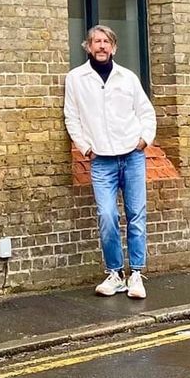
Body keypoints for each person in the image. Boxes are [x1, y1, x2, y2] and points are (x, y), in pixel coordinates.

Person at [63, 24, 156, 299]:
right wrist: (86, 148)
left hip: (132, 155)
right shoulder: (76, 78)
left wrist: (144, 140)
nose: (101, 46)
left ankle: (136, 274)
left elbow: (146, 112)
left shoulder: (127, 78)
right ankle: (115, 273)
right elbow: (72, 117)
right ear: (88, 47)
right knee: (107, 216)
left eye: (106, 42)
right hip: (101, 160)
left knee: (136, 215)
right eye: (96, 42)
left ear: (113, 47)